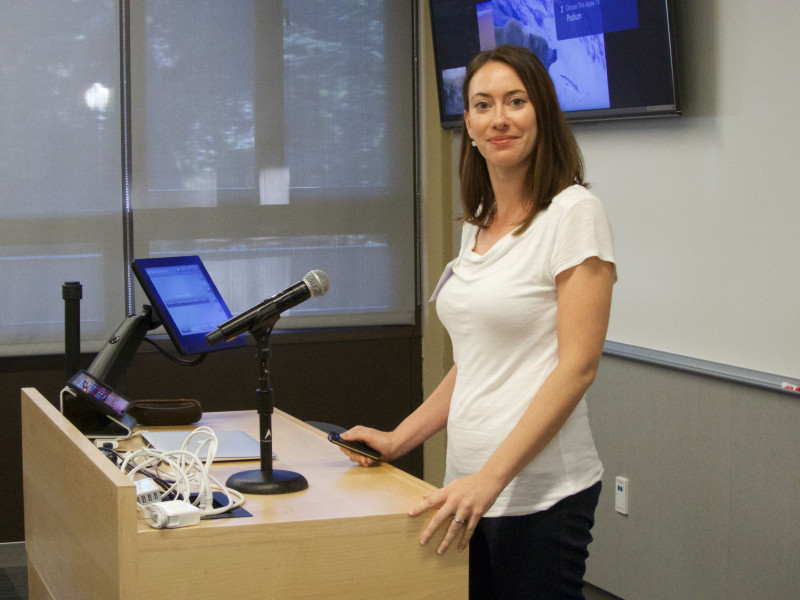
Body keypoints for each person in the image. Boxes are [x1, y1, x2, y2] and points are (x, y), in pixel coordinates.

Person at [337, 44, 616, 599]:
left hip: (539, 492)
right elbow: (476, 364)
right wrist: (398, 439)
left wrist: (493, 478)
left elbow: (578, 367)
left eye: (516, 101)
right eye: (483, 105)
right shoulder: (479, 226)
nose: (500, 118)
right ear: (467, 123)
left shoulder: (573, 213)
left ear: (542, 112)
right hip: (465, 485)